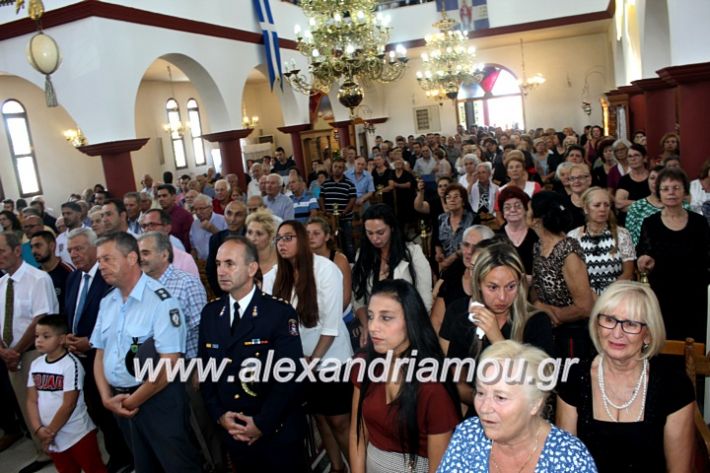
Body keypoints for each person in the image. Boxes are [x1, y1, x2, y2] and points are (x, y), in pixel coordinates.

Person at [90, 232, 200, 472]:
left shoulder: (161, 301)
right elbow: (100, 353)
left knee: (177, 465)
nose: (101, 266)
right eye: (99, 261)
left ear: (131, 258)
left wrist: (131, 402)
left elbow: (169, 364)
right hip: (120, 402)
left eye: (108, 259)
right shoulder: (108, 302)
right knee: (144, 466)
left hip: (157, 401)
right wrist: (107, 398)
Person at [557, 281, 694, 473]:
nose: (616, 333)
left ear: (648, 335)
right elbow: (566, 466)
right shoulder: (574, 379)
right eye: (609, 320)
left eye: (630, 324)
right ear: (597, 325)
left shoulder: (674, 386)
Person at [198, 236, 306, 471]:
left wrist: (261, 423)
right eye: (218, 264)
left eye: (230, 263)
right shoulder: (210, 314)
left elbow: (289, 377)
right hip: (234, 433)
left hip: (277, 434)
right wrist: (219, 416)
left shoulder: (278, 313)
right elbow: (205, 373)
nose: (221, 271)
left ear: (251, 268)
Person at [264, 221, 353, 473]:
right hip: (299, 360)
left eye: (288, 237)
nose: (281, 243)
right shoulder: (274, 275)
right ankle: (336, 467)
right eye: (279, 238)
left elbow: (331, 324)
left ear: (302, 240)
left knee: (339, 421)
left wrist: (312, 361)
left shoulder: (325, 269)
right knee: (320, 418)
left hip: (331, 356)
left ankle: (357, 467)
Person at [350, 279, 461, 473]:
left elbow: (439, 468)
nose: (373, 326)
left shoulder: (432, 386)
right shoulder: (364, 364)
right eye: (371, 316)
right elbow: (358, 432)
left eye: (386, 318)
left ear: (411, 321)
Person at [438, 340, 597, 472]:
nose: (484, 408)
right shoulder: (468, 435)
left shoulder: (570, 457)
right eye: (480, 393)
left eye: (500, 397)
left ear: (535, 404)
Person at [439, 242, 554, 410]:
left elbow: (540, 382)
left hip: (524, 420)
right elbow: (458, 384)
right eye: (492, 287)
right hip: (480, 414)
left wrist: (497, 339)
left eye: (510, 287)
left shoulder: (536, 322)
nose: (502, 297)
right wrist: (487, 403)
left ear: (520, 283)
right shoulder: (464, 324)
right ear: (478, 283)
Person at [64, 227, 132, 472]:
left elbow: (118, 319)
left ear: (95, 249)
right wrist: (69, 338)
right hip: (81, 357)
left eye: (79, 248)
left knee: (115, 410)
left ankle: (126, 456)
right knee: (97, 409)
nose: (74, 254)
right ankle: (118, 453)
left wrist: (90, 342)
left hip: (108, 356)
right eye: (70, 250)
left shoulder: (109, 277)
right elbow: (71, 313)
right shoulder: (73, 278)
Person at [1, 230, 59, 473]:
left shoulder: (37, 278)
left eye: (2, 251)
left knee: (45, 404)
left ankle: (59, 450)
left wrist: (15, 350)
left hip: (35, 353)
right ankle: (42, 451)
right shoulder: (2, 283)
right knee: (27, 407)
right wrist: (5, 352)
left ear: (17, 251)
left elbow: (41, 319)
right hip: (11, 358)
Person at [637, 167, 710, 343]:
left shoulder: (699, 222)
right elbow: (643, 254)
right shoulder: (650, 223)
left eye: (676, 188)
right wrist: (643, 261)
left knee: (695, 343)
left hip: (695, 294)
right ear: (658, 193)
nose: (671, 193)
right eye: (665, 189)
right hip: (663, 294)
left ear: (685, 190)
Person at [26, 315, 106, 473]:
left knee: (93, 468)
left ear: (62, 339)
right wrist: (38, 429)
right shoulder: (35, 365)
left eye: (46, 336)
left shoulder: (71, 365)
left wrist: (49, 432)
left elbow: (69, 404)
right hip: (52, 436)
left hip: (77, 434)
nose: (39, 340)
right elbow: (31, 400)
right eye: (36, 336)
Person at [353, 204, 433, 346]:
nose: (375, 238)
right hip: (376, 331)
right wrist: (367, 325)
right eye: (369, 233)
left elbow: (425, 300)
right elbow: (358, 298)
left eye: (380, 232)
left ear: (392, 228)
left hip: (409, 330)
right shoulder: (363, 255)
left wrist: (408, 329)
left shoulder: (413, 253)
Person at [529, 192, 594, 359]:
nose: (524, 212)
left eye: (528, 208)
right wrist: (538, 305)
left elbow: (585, 307)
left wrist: (553, 314)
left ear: (537, 219)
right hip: (546, 332)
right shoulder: (538, 246)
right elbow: (536, 291)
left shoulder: (567, 250)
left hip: (572, 338)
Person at [568, 187, 635, 295]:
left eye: (606, 205)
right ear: (586, 208)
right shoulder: (573, 236)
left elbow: (628, 273)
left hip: (616, 296)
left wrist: (607, 297)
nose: (603, 209)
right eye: (597, 205)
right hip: (585, 298)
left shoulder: (622, 234)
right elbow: (571, 275)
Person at [430, 225, 494, 334]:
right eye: (466, 245)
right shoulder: (455, 270)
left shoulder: (495, 279)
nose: (469, 251)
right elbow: (436, 321)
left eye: (476, 247)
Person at [306, 216, 356, 350]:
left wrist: (327, 319)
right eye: (307, 233)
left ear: (327, 236)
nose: (311, 237)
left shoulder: (339, 260)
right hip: (314, 318)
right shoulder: (304, 261)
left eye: (316, 233)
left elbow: (345, 298)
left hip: (340, 317)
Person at [139, 209, 199, 277]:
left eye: (152, 224)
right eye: (144, 226)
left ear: (167, 228)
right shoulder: (137, 257)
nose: (147, 229)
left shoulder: (184, 259)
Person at [433, 183, 478, 273]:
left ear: (463, 201)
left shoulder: (473, 218)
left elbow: (474, 244)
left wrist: (453, 257)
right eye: (448, 197)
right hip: (445, 266)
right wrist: (439, 254)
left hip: (467, 265)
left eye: (456, 196)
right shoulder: (440, 219)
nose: (452, 200)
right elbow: (436, 241)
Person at [206, 200, 247, 297]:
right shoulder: (216, 239)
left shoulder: (252, 238)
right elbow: (211, 270)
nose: (232, 219)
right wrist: (222, 295)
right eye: (229, 213)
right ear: (224, 215)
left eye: (238, 215)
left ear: (246, 217)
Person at [320, 159, 357, 262]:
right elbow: (321, 197)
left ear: (343, 169)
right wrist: (324, 211)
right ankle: (332, 262)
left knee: (348, 242)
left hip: (345, 217)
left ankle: (351, 264)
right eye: (335, 166)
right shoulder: (325, 183)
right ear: (332, 168)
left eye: (340, 167)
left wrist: (344, 212)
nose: (337, 169)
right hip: (329, 219)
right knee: (330, 242)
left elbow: (353, 199)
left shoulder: (349, 183)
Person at [30, 231, 74, 316]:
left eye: (38, 246)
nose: (34, 251)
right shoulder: (35, 275)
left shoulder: (68, 272)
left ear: (52, 246)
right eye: (31, 247)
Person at [496, 186, 538, 275]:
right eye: (507, 207)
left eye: (517, 206)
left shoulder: (536, 234)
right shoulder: (497, 238)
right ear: (503, 213)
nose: (513, 210)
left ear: (525, 209)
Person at [625, 165, 665, 245]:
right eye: (652, 178)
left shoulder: (682, 206)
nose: (655, 182)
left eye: (660, 179)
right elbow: (629, 238)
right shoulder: (637, 207)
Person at [614, 144, 650, 226]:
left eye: (636, 155)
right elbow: (619, 203)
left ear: (644, 158)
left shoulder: (652, 177)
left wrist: (629, 204)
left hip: (650, 222)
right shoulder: (624, 180)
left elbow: (658, 202)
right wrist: (646, 203)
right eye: (630, 156)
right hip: (628, 222)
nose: (633, 159)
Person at [189, 193, 227, 262]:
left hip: (219, 263)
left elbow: (228, 244)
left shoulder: (223, 220)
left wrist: (213, 230)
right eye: (195, 209)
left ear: (211, 208)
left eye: (201, 209)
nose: (198, 212)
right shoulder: (194, 224)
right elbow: (193, 248)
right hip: (202, 264)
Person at [156, 184, 193, 252]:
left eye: (164, 196)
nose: (161, 199)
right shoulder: (157, 215)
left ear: (174, 197)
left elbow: (188, 243)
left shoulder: (185, 216)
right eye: (159, 196)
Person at [245, 209, 279, 283]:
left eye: (259, 234)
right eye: (249, 232)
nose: (252, 238)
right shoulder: (242, 260)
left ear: (271, 237)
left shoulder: (282, 263)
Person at [56, 202, 86, 267]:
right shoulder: (59, 239)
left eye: (69, 213)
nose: (65, 216)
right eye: (63, 214)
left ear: (79, 214)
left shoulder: (92, 233)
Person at [564, 163, 593, 231]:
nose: (576, 181)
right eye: (572, 178)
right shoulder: (563, 203)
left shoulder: (599, 201)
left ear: (589, 179)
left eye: (580, 177)